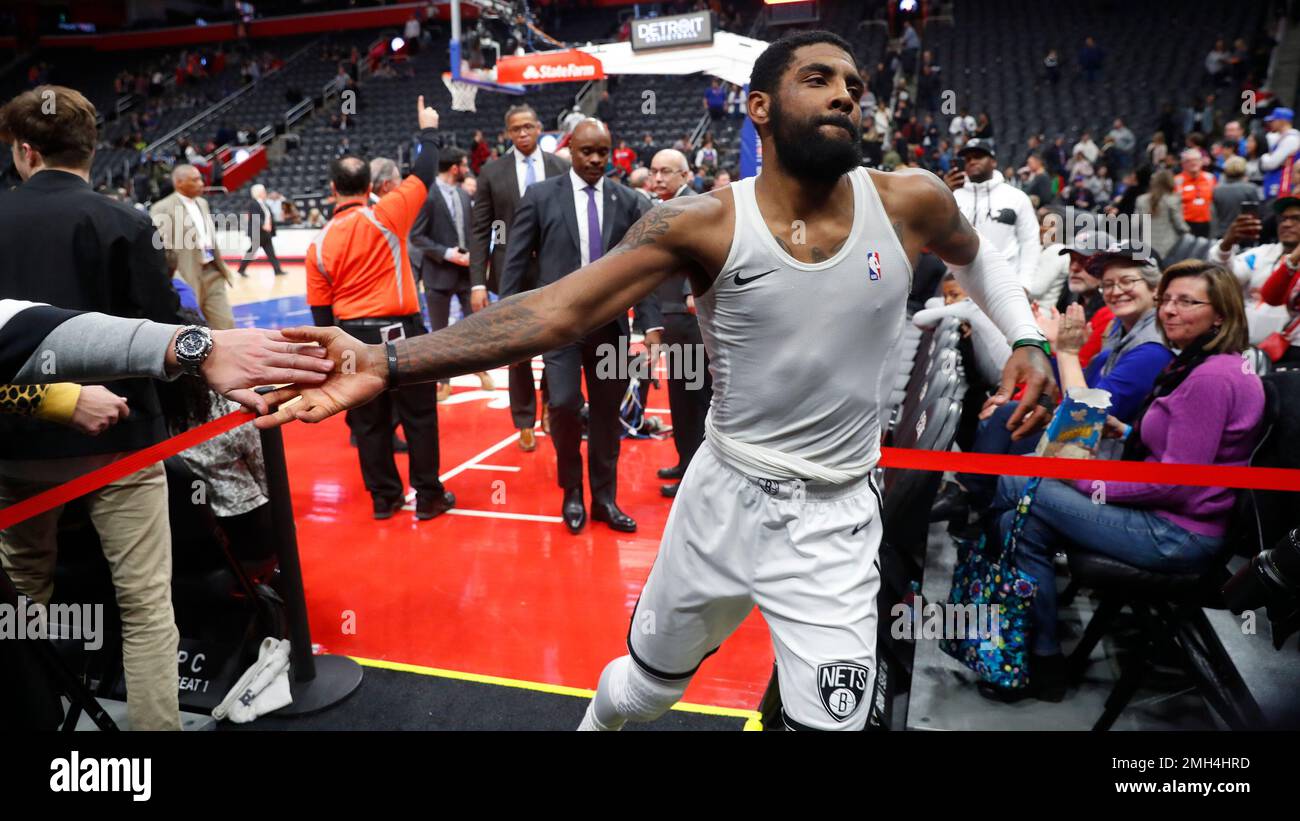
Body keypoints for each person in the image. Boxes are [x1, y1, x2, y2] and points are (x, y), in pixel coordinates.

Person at [254, 31, 1055, 732]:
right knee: (645, 689)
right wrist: (388, 360)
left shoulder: (910, 199)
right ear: (761, 108)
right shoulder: (701, 223)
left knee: (834, 723)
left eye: (855, 84)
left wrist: (1023, 334)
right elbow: (556, 311)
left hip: (839, 515)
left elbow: (977, 255)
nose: (847, 92)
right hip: (725, 497)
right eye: (819, 79)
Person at [985, 260, 1264, 702]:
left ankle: (1019, 639)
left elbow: (1175, 483)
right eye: (1167, 300)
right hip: (1171, 516)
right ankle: (1041, 660)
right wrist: (1130, 433)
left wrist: (1085, 481)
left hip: (1179, 534)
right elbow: (1189, 449)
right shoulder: (1203, 364)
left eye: (1186, 302)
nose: (1169, 310)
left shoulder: (1209, 377)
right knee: (1019, 524)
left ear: (1222, 315)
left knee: (1017, 488)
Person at [0, 85, 181, 731]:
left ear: (24, 151)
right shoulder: (126, 221)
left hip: (16, 448)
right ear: (93, 148)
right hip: (121, 448)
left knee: (22, 603)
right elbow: (168, 343)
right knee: (145, 606)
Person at [497, 119, 663, 534]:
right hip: (560, 329)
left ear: (610, 153)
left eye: (602, 152)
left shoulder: (628, 201)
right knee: (565, 406)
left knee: (608, 416)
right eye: (586, 151)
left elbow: (642, 268)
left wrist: (650, 325)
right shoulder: (539, 197)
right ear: (570, 151)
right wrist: (507, 323)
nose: (594, 159)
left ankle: (604, 499)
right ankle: (572, 491)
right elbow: (516, 262)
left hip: (609, 331)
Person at [305, 97, 455, 522]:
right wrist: (428, 129)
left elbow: (320, 315)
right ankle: (428, 498)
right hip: (401, 334)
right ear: (370, 187)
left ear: (332, 189)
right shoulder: (387, 214)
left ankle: (384, 499)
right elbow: (425, 172)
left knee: (369, 424)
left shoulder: (318, 243)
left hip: (351, 337)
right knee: (420, 418)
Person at [468, 104, 568, 452]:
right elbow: (479, 231)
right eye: (515, 129)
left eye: (528, 126)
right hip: (510, 275)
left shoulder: (562, 167)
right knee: (517, 352)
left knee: (557, 346)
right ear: (507, 133)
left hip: (556, 273)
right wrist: (478, 282)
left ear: (540, 127)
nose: (523, 133)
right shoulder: (492, 172)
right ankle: (524, 419)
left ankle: (550, 408)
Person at [409, 146, 494, 400]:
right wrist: (447, 253)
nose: (468, 169)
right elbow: (416, 236)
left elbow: (472, 231)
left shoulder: (462, 194)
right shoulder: (427, 195)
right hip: (438, 275)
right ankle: (443, 381)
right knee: (440, 333)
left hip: (467, 275)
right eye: (465, 165)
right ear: (455, 168)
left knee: (475, 328)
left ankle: (480, 370)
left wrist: (474, 256)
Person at [647, 148, 708, 499]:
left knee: (693, 397)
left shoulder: (695, 206)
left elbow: (701, 250)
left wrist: (690, 292)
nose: (657, 178)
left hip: (689, 317)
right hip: (670, 314)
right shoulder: (662, 206)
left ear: (685, 175)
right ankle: (686, 462)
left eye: (666, 172)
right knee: (681, 398)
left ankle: (696, 477)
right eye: (654, 171)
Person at [946, 138, 1041, 292]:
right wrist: (943, 193)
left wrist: (1024, 283)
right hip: (959, 285)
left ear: (993, 162)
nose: (972, 161)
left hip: (1004, 285)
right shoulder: (952, 196)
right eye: (968, 158)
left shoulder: (1016, 197)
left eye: (978, 156)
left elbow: (1030, 241)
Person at [151, 164, 235, 329]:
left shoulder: (202, 203)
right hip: (186, 274)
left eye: (200, 179)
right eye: (195, 180)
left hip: (212, 271)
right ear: (179, 183)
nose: (201, 183)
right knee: (194, 328)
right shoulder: (162, 208)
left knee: (226, 323)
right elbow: (162, 249)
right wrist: (177, 279)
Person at [1210, 197, 1300, 344]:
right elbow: (1224, 279)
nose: (1287, 224)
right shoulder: (1260, 254)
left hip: (1291, 351)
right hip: (1241, 346)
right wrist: (1227, 243)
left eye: (1296, 218)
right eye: (1282, 219)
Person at [1136, 169, 1189, 258]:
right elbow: (1179, 225)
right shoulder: (1173, 199)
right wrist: (1188, 232)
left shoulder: (1141, 200)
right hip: (1169, 246)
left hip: (1146, 244)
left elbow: (1135, 224)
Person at [238, 183, 285, 277]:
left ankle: (278, 270)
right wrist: (263, 225)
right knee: (251, 252)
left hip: (265, 233)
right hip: (257, 233)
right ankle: (241, 269)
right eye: (263, 191)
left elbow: (269, 216)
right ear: (258, 193)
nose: (265, 193)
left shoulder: (264, 204)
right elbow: (255, 217)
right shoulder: (253, 203)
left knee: (271, 253)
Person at [1211, 156, 1260, 238]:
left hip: (1222, 234)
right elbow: (1257, 214)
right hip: (1244, 234)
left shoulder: (1217, 189)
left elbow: (1213, 216)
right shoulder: (1250, 189)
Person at [1174, 148, 1216, 238]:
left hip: (1207, 223)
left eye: (1196, 160)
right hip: (1186, 224)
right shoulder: (1177, 181)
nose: (1193, 163)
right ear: (1183, 164)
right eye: (1188, 161)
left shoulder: (1210, 178)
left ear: (1201, 162)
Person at [1259, 107, 1298, 200]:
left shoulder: (1291, 139)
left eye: (1274, 120)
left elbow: (1271, 164)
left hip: (1284, 184)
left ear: (1282, 121)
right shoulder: (1281, 137)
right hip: (1276, 183)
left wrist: (1265, 156)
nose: (1271, 123)